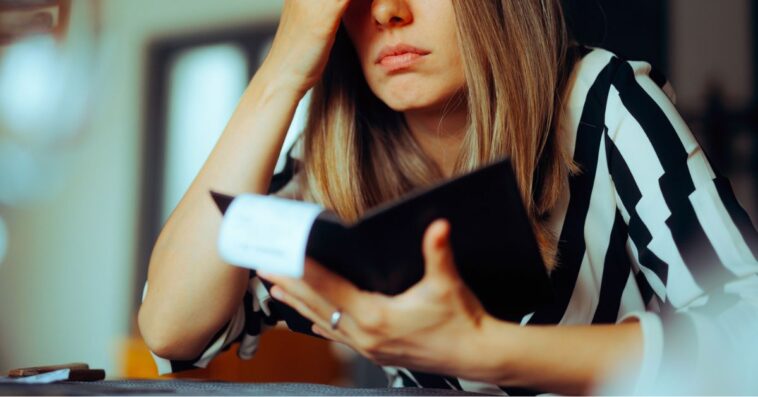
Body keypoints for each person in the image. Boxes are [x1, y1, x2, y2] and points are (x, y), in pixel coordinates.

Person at [138, 0, 758, 394]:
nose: (387, 12)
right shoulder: (332, 170)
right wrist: (282, 70)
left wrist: (481, 350)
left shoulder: (602, 101)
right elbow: (172, 328)